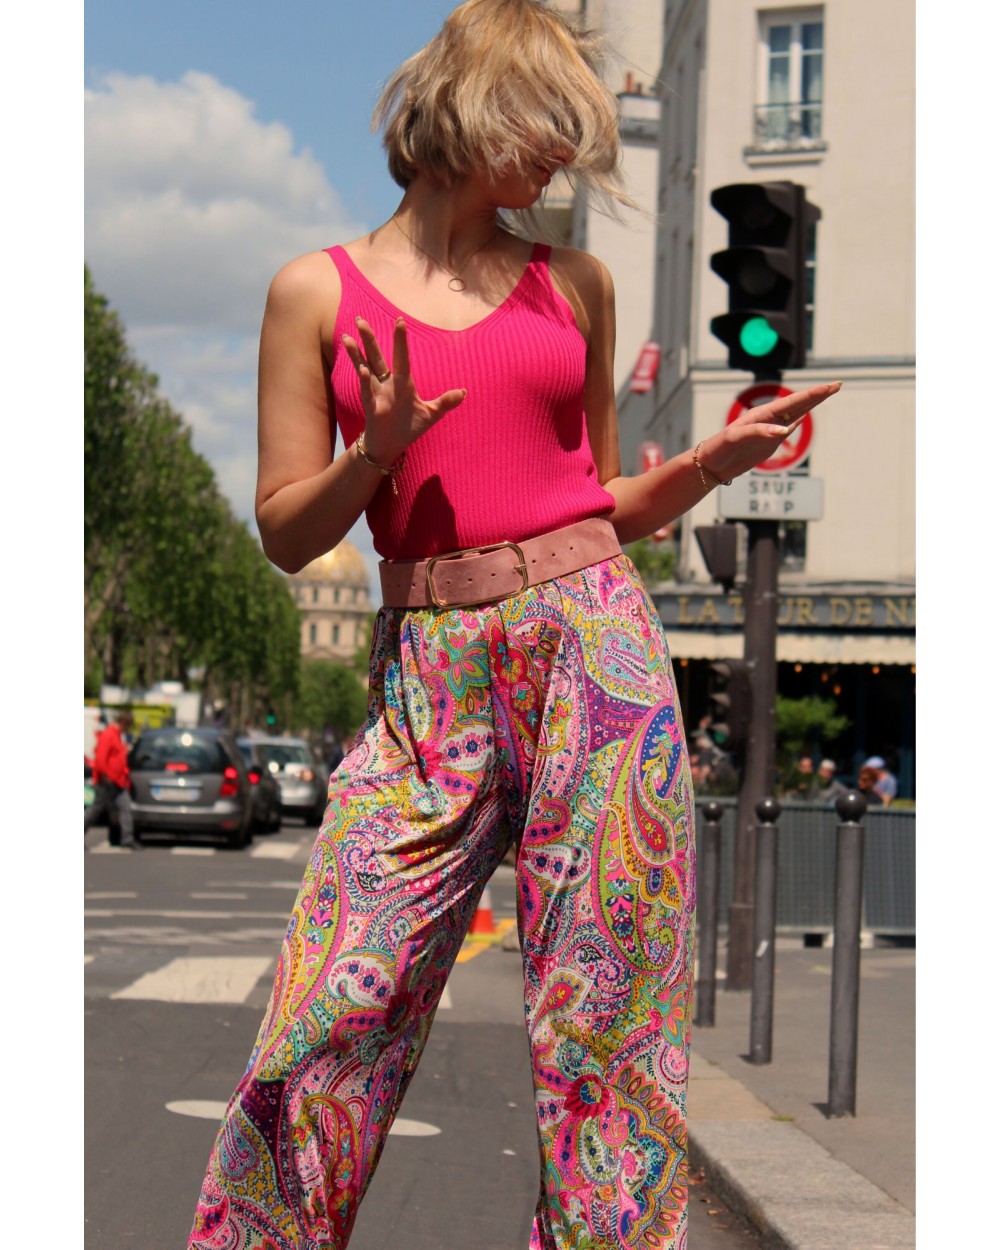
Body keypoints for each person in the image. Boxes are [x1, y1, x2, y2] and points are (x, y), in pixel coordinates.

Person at [186, 4, 841, 1246]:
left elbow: (599, 500)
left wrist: (705, 466)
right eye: (548, 128)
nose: (563, 161)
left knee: (608, 1024)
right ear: (475, 105)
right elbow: (282, 530)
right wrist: (374, 452)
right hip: (426, 673)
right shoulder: (314, 290)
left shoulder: (575, 284)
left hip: (593, 649)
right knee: (329, 1011)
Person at [83, 709, 141, 850]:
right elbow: (101, 758)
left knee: (125, 808)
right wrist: (105, 776)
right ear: (123, 722)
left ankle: (127, 838)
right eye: (128, 725)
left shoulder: (117, 735)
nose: (128, 729)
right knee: (95, 810)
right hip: (107, 781)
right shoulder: (109, 734)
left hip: (118, 781)